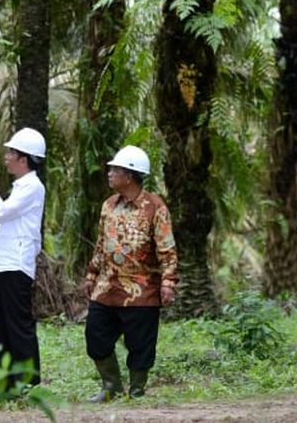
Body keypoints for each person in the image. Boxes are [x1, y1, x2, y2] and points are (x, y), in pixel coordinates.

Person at [83, 145, 178, 402]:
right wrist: (92, 274)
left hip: (142, 289)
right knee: (95, 334)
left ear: (130, 175)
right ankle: (111, 386)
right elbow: (101, 244)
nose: (110, 173)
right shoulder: (108, 206)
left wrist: (168, 282)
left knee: (140, 344)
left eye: (115, 169)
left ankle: (137, 390)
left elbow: (167, 249)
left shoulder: (155, 207)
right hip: (107, 287)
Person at [0, 127, 46, 390]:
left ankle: (27, 381)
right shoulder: (22, 187)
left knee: (18, 325)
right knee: (3, 326)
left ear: (24, 158)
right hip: (4, 263)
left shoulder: (32, 187)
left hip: (15, 264)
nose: (6, 157)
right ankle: (8, 381)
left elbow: (1, 212)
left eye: (11, 153)